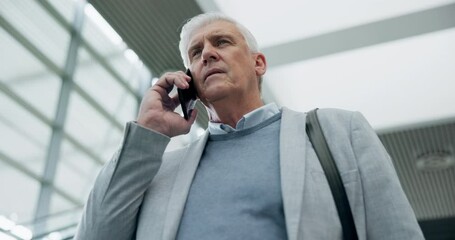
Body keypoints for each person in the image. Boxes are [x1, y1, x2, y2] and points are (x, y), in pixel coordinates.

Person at [74, 12, 424, 240]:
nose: (207, 54)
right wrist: (149, 130)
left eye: (221, 42)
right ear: (189, 80)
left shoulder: (338, 131)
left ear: (259, 63)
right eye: (195, 54)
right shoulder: (161, 168)